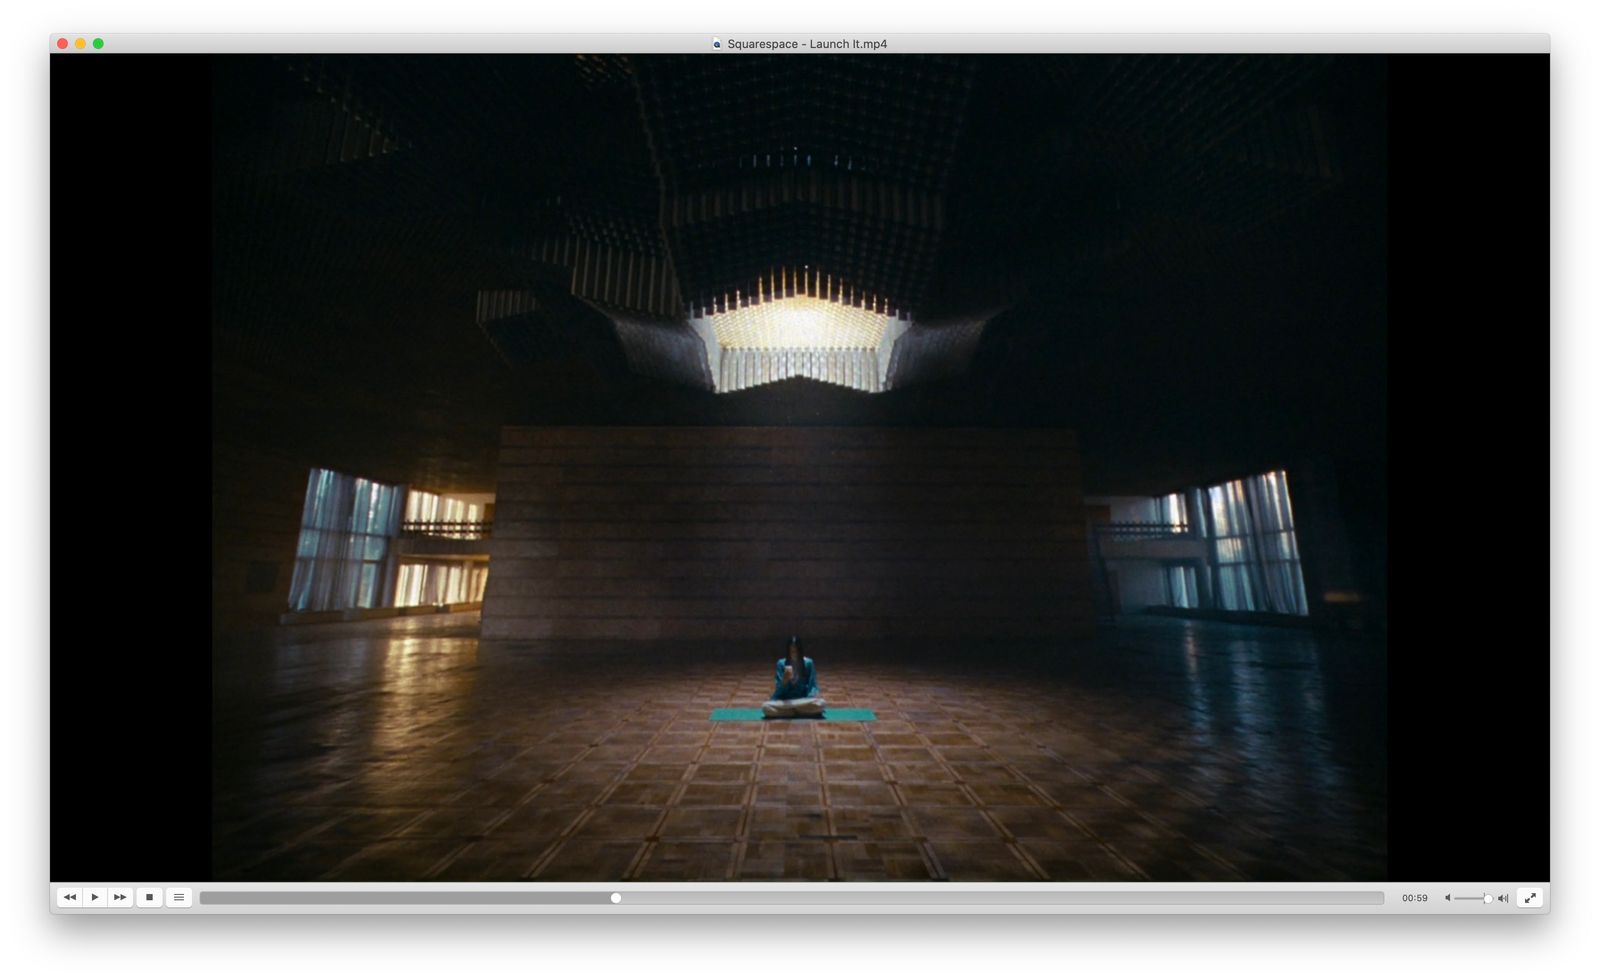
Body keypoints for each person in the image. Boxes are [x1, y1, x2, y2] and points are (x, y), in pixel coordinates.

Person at [762, 635, 825, 718]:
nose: (794, 653)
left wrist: (810, 697)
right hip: (786, 701)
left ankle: (790, 712)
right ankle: (798, 712)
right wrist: (784, 681)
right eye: (791, 651)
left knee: (821, 703)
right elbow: (779, 692)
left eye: (796, 651)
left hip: (803, 700)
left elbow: (812, 686)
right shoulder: (781, 664)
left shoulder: (808, 663)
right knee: (766, 707)